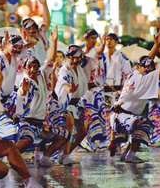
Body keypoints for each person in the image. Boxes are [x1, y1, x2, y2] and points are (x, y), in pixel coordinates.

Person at [111, 54, 160, 163]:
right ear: (138, 67)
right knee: (144, 125)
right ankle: (130, 154)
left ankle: (126, 153)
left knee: (139, 125)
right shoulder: (141, 78)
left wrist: (156, 45)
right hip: (122, 116)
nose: (147, 71)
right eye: (146, 68)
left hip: (124, 116)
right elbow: (157, 73)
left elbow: (147, 61)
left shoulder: (135, 73)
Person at [15, 26, 69, 167]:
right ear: (24, 68)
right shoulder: (25, 80)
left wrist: (54, 41)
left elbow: (50, 59)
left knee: (64, 134)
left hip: (41, 124)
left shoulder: (42, 74)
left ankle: (45, 157)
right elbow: (22, 91)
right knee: (26, 140)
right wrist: (23, 91)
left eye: (35, 66)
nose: (32, 69)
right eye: (29, 67)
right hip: (27, 122)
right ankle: (9, 158)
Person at [54, 44, 91, 165]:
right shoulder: (64, 70)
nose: (75, 61)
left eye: (77, 58)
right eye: (72, 58)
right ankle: (63, 156)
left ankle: (65, 153)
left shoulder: (79, 68)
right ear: (67, 57)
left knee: (83, 131)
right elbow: (64, 83)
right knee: (68, 127)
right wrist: (70, 89)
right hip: (65, 101)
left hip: (77, 102)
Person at [79, 29, 107, 152]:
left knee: (99, 115)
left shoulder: (95, 51)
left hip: (96, 90)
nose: (94, 41)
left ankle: (102, 142)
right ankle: (89, 141)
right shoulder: (79, 53)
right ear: (85, 38)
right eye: (92, 38)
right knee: (87, 117)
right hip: (84, 91)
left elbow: (99, 51)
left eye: (96, 38)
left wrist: (103, 43)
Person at [104, 33, 132, 150]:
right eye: (107, 39)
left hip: (117, 89)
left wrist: (123, 89)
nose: (109, 41)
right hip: (104, 89)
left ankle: (120, 140)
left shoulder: (122, 56)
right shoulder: (102, 56)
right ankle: (107, 139)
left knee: (118, 115)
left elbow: (127, 74)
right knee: (106, 115)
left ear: (116, 42)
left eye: (111, 39)